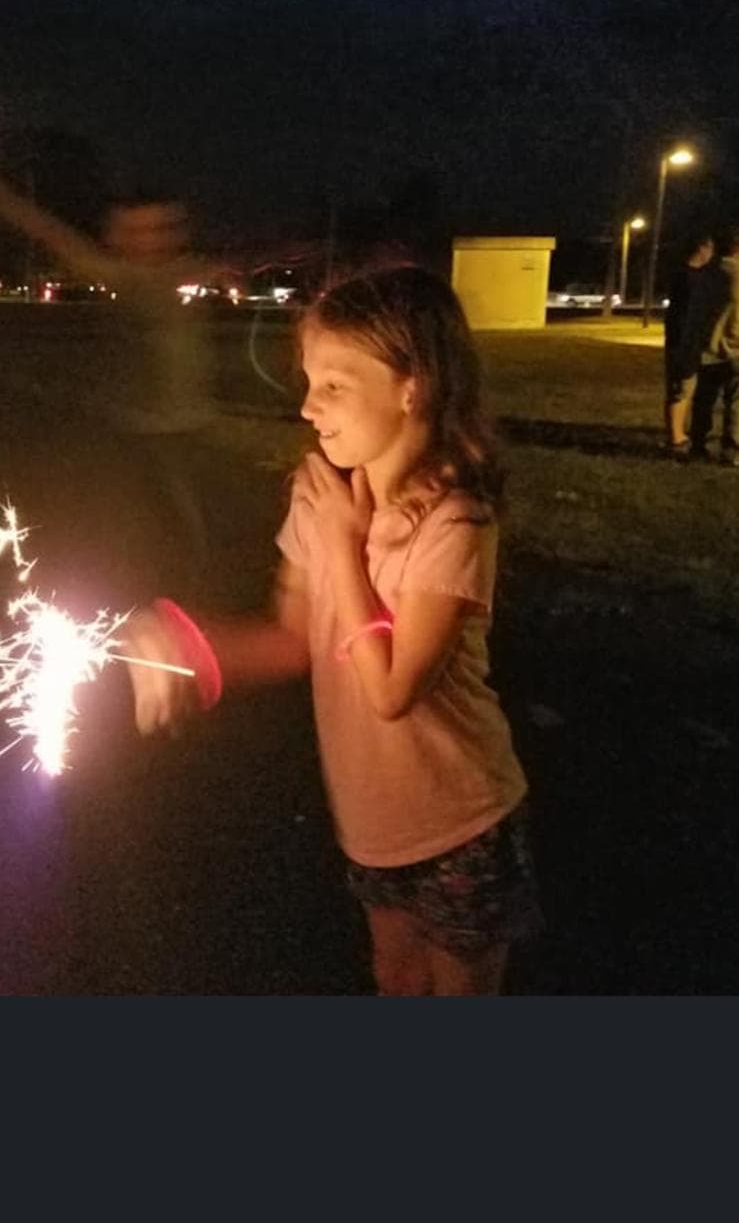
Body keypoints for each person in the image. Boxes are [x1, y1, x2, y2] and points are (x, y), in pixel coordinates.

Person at [123, 264, 541, 997]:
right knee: (394, 976)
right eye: (308, 381)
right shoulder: (319, 497)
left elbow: (389, 690)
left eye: (335, 384)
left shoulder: (454, 524)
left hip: (457, 820)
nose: (309, 408)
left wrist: (345, 547)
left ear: (412, 387)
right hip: (371, 819)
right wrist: (186, 644)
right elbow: (293, 639)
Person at [0, 173, 224, 596]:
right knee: (123, 518)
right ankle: (131, 592)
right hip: (126, 428)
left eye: (161, 229)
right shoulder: (122, 277)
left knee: (182, 517)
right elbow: (56, 236)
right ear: (115, 236)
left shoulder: (186, 274)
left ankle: (185, 592)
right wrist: (10, 203)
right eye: (136, 231)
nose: (150, 241)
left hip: (183, 429)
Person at [662, 229, 716, 459]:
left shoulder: (686, 276)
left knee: (682, 390)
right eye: (710, 248)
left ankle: (678, 435)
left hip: (685, 344)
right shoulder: (689, 279)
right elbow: (685, 318)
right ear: (702, 249)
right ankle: (676, 438)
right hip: (684, 345)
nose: (712, 253)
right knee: (681, 390)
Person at [691, 228, 739, 465]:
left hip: (709, 346)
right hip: (735, 347)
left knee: (704, 399)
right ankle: (732, 450)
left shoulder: (708, 272)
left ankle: (699, 443)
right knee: (736, 402)